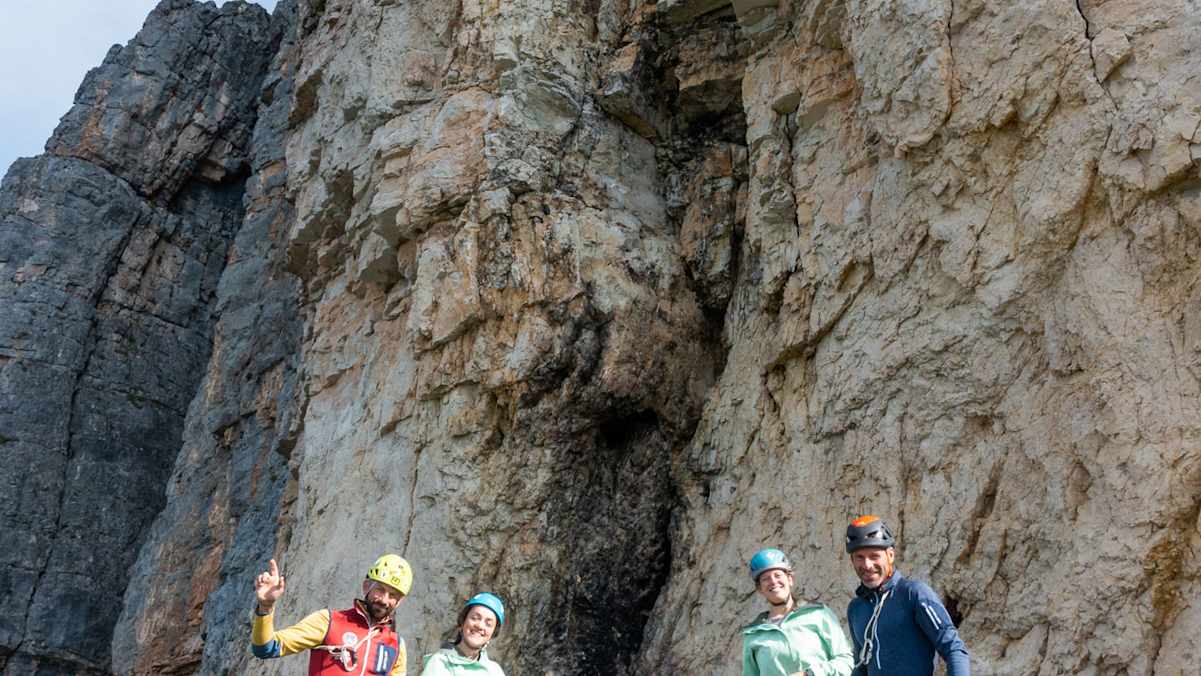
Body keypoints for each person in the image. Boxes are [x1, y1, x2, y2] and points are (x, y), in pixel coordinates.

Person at [845, 515, 970, 676]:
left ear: (890, 555)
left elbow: (954, 649)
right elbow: (861, 667)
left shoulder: (914, 595)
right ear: (852, 561)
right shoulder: (856, 609)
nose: (867, 565)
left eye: (874, 556)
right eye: (859, 557)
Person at [250, 554, 411, 675]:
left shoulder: (396, 645)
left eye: (393, 595)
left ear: (400, 601)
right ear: (366, 586)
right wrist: (266, 606)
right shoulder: (329, 621)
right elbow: (265, 648)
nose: (384, 600)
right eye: (380, 589)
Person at [741, 548, 854, 676]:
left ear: (790, 579)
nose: (773, 581)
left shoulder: (818, 615)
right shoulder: (753, 635)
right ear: (760, 588)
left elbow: (846, 662)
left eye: (778, 575)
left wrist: (809, 674)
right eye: (765, 579)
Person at [420, 592, 507, 675]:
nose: (480, 626)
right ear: (463, 622)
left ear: (493, 633)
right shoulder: (440, 663)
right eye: (475, 618)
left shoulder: (495, 671)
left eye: (488, 624)